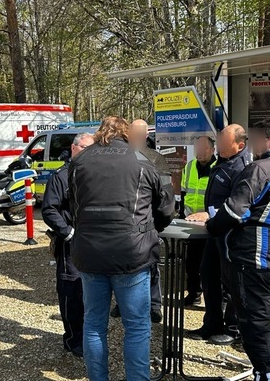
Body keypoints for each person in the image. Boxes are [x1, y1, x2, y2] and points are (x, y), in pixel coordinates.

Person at [69, 116, 175, 381]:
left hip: (90, 253)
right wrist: (152, 228)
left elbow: (74, 207)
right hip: (132, 253)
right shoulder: (141, 159)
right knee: (137, 327)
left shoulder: (80, 161)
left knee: (94, 325)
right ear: (126, 133)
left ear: (100, 133)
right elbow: (166, 207)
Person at [207, 119, 270, 381]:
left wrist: (212, 225)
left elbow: (233, 211)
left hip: (252, 259)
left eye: (255, 140)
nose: (253, 146)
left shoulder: (259, 170)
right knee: (259, 324)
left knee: (255, 329)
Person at [186, 124, 251, 345]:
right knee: (208, 274)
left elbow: (240, 203)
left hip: (230, 233)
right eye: (220, 139)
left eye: (225, 141)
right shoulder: (221, 162)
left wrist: (210, 213)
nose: (220, 144)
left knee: (231, 281)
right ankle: (211, 324)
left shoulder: (242, 168)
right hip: (214, 231)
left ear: (239, 145)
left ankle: (233, 328)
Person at [109, 119, 171, 323]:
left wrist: (157, 223)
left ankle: (154, 305)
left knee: (151, 265)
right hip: (123, 223)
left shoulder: (156, 159)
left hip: (149, 220)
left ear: (145, 136)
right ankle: (121, 303)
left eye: (138, 134)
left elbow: (165, 195)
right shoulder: (119, 158)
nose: (134, 138)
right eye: (131, 134)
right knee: (122, 266)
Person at [42, 132, 94, 358]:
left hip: (95, 243)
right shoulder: (60, 177)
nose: (89, 154)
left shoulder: (97, 174)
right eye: (85, 148)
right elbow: (49, 209)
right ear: (74, 149)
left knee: (92, 292)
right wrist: (68, 232)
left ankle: (90, 337)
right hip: (70, 243)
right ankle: (74, 339)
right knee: (71, 292)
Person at [180, 136, 217, 306]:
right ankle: (194, 294)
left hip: (212, 224)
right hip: (191, 224)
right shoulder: (188, 167)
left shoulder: (219, 169)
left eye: (204, 149)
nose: (200, 152)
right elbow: (183, 193)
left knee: (211, 266)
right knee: (192, 263)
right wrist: (181, 217)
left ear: (212, 150)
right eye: (198, 149)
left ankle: (215, 301)